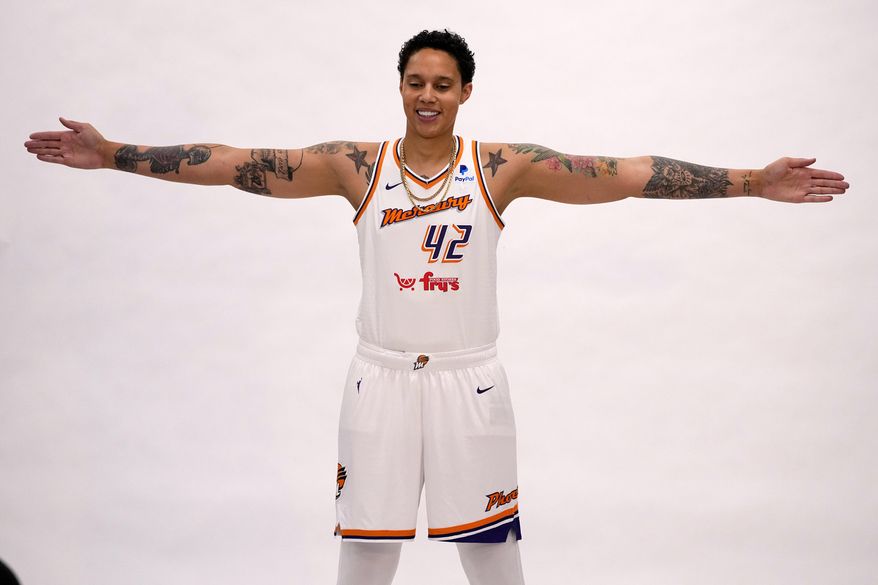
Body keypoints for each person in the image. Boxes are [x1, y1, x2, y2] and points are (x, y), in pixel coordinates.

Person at [24, 29, 848, 585]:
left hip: (469, 385)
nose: (427, 95)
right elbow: (239, 162)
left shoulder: (500, 167)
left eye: (441, 85)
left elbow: (623, 171)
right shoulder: (355, 165)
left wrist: (749, 181)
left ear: (465, 92)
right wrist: (116, 156)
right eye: (415, 82)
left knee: (493, 563)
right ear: (400, 87)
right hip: (379, 383)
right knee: (364, 565)